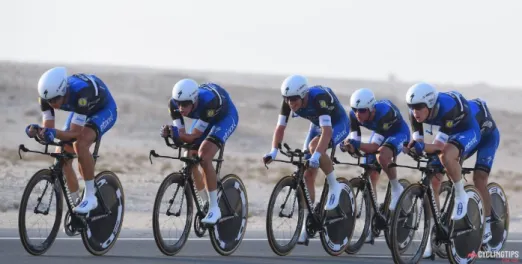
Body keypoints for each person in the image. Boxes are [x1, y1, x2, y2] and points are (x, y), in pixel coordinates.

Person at [262, 74, 350, 244]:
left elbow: (327, 132)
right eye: (287, 99)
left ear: (303, 95)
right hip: (317, 126)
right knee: (306, 172)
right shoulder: (289, 101)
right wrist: (273, 151)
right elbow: (280, 128)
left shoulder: (319, 99)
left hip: (337, 124)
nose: (290, 103)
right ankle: (306, 225)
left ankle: (334, 186)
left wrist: (317, 155)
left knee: (314, 148)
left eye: (294, 99)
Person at [402, 82, 482, 256]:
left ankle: (461, 194)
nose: (414, 112)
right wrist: (412, 146)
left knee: (445, 155)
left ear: (430, 104)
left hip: (468, 131)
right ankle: (432, 237)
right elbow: (420, 142)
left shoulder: (448, 108)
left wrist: (421, 147)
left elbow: (438, 146)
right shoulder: (415, 114)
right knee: (434, 183)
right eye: (411, 107)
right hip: (449, 131)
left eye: (418, 107)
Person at [25, 66, 118, 215]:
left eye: (55, 100)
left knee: (80, 144)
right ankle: (76, 207)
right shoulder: (46, 96)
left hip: (103, 110)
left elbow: (74, 134)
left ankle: (90, 196)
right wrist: (40, 131)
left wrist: (53, 133)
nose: (52, 104)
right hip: (80, 110)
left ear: (63, 91)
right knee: (61, 155)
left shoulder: (81, 93)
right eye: (49, 101)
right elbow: (49, 128)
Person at [421, 97, 499, 257]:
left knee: (479, 179)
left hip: (486, 138)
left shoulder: (465, 115)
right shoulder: (447, 118)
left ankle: (488, 225)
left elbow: (463, 144)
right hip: (464, 134)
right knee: (437, 172)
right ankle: (432, 235)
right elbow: (438, 146)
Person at [160, 78, 239, 225]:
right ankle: (205, 202)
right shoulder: (174, 104)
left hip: (225, 117)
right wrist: (172, 133)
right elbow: (183, 135)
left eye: (185, 104)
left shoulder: (209, 102)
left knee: (204, 156)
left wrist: (177, 134)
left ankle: (215, 208)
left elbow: (193, 136)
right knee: (188, 154)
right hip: (206, 117)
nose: (181, 108)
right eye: (178, 103)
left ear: (194, 100)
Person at [340, 88, 411, 212]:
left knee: (382, 155)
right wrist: (348, 146)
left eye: (361, 110)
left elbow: (373, 147)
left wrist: (356, 144)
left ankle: (396, 188)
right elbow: (355, 139)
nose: (357, 114)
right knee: (371, 172)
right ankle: (373, 215)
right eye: (355, 110)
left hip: (398, 133)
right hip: (380, 133)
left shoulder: (383, 113)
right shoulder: (353, 115)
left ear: (371, 109)